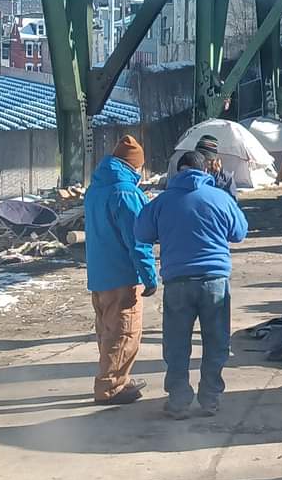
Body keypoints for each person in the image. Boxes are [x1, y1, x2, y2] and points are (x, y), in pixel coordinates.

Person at [134, 150, 249, 419]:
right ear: (205, 171)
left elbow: (141, 233)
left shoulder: (162, 202)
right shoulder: (220, 198)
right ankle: (210, 399)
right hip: (215, 282)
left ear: (179, 170)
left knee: (176, 344)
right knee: (216, 342)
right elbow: (239, 233)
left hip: (177, 282)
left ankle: (179, 401)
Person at [83, 135, 157, 405]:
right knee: (124, 332)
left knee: (106, 330)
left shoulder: (95, 189)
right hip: (123, 275)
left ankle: (115, 379)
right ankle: (110, 387)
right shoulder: (126, 193)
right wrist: (149, 276)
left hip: (99, 274)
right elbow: (139, 240)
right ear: (133, 165)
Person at [194, 134, 238, 199]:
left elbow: (232, 202)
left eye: (206, 159)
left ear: (214, 160)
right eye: (199, 158)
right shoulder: (190, 174)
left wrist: (219, 181)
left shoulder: (226, 178)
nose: (202, 162)